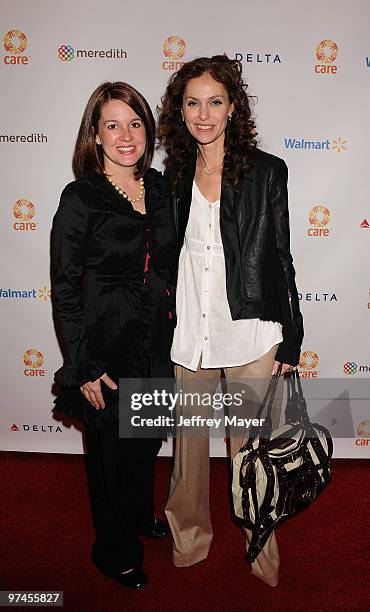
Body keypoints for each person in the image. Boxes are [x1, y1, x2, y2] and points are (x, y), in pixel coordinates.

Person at [157, 55, 304, 587]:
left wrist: (293, 337)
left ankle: (260, 549)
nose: (203, 113)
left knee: (251, 453)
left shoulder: (267, 171)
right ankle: (189, 539)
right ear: (181, 110)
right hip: (192, 333)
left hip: (249, 333)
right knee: (188, 451)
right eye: (192, 102)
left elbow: (280, 257)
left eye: (214, 101)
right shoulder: (172, 175)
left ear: (233, 107)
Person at [51, 82, 176, 589]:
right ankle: (113, 550)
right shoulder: (80, 197)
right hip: (104, 347)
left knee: (143, 444)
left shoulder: (163, 188)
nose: (126, 135)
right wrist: (82, 363)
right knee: (107, 457)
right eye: (112, 125)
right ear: (96, 135)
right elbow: (64, 287)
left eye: (135, 123)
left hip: (156, 342)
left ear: (148, 130)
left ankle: (139, 514)